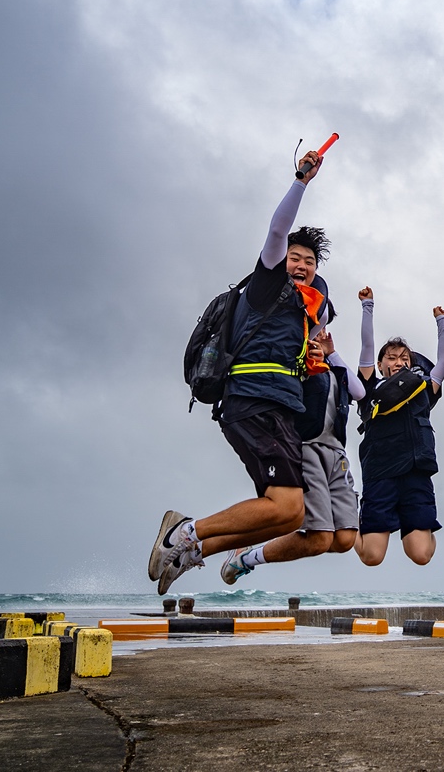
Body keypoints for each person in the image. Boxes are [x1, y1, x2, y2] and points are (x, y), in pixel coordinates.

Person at [148, 151, 331, 595]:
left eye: (309, 261)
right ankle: (182, 533)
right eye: (295, 256)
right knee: (286, 504)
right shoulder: (267, 281)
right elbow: (276, 229)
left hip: (278, 407)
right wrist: (301, 182)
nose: (302, 264)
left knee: (290, 513)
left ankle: (193, 552)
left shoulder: (305, 311)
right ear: (281, 259)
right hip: (252, 400)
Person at [219, 327, 366, 584]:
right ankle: (244, 558)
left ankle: (248, 554)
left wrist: (332, 354)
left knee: (344, 539)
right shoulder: (296, 358)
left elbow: (360, 392)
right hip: (307, 447)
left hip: (337, 454)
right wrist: (306, 356)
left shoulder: (333, 368)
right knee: (320, 537)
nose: (320, 332)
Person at [351, 287, 444, 566]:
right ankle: (346, 517)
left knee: (421, 555)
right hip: (380, 472)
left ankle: (421, 523)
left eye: (404, 358)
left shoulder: (423, 387)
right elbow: (367, 348)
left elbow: (443, 361)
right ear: (382, 365)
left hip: (416, 471)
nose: (398, 362)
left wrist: (442, 322)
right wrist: (367, 306)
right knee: (372, 557)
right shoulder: (369, 386)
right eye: (392, 358)